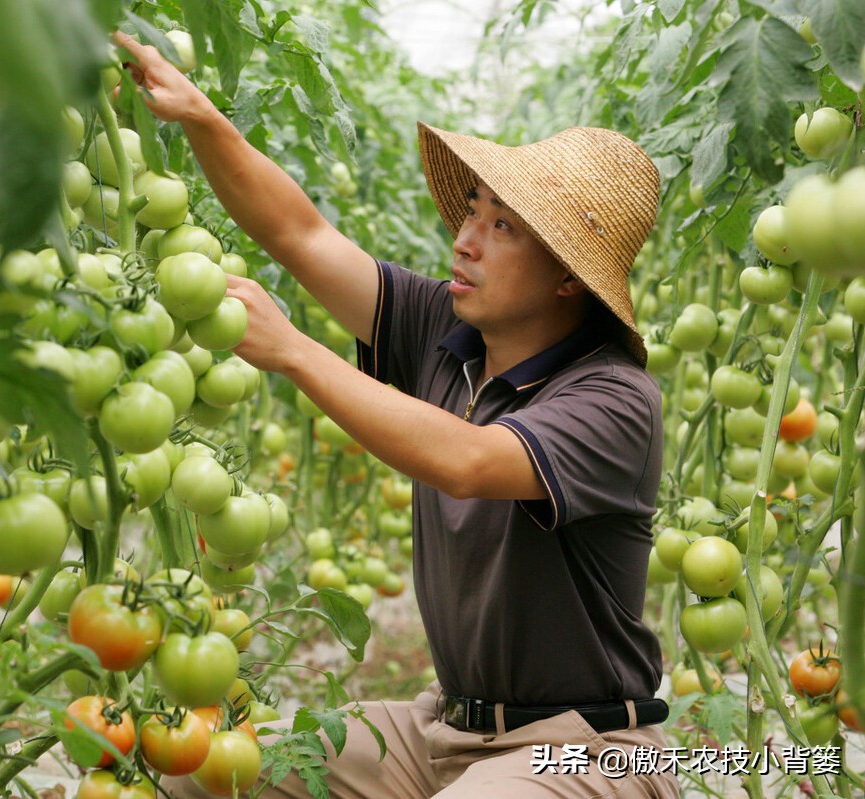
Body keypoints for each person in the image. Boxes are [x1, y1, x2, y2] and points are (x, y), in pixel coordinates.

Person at [114, 29, 681, 799]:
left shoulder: (615, 399)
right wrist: (201, 117)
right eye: (472, 212)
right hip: (445, 730)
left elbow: (469, 459)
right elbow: (300, 236)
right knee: (209, 769)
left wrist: (295, 351)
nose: (465, 240)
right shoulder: (443, 332)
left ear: (568, 280)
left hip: (587, 747)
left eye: (502, 226)